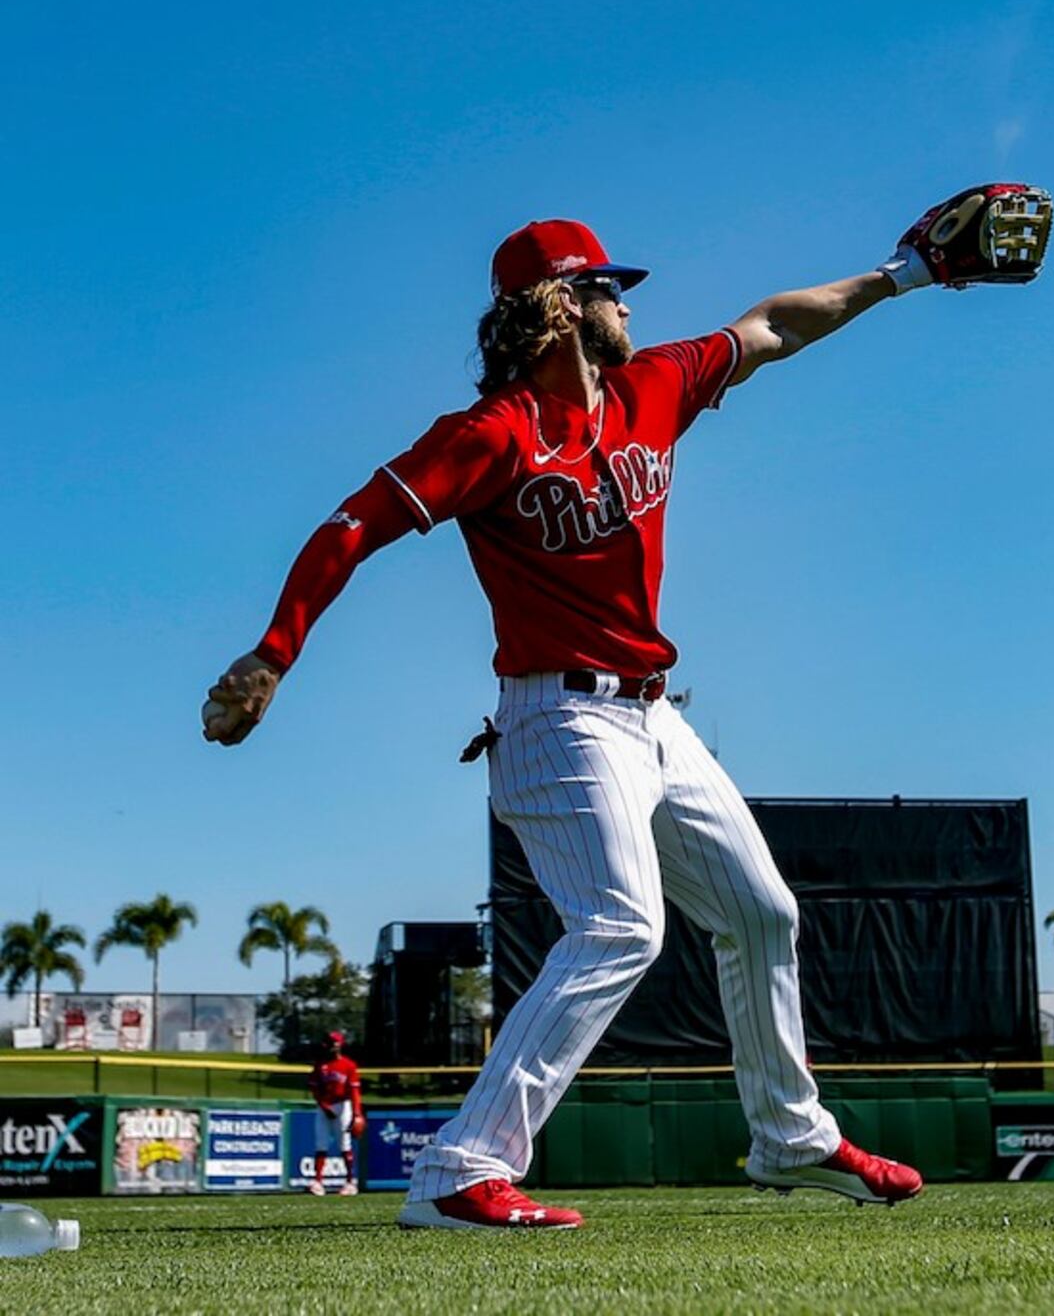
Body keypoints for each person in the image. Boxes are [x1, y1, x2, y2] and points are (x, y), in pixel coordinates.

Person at [203, 212, 963, 1230]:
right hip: (558, 719)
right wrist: (274, 650)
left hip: (654, 716)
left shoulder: (654, 385)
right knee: (619, 925)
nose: (627, 302)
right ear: (559, 305)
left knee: (761, 911)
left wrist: (904, 273)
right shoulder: (494, 434)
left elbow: (774, 326)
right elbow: (353, 523)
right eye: (607, 286)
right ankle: (458, 1169)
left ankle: (792, 1135)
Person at [307, 1030, 364, 1196]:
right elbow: (315, 1089)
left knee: (344, 1144)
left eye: (334, 1043)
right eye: (330, 1043)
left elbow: (354, 1093)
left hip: (342, 1105)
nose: (332, 1046)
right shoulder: (320, 1065)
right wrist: (324, 1107)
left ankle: (350, 1182)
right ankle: (318, 1182)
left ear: (340, 1044)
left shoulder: (349, 1065)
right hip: (325, 1106)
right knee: (321, 1144)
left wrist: (357, 1113)